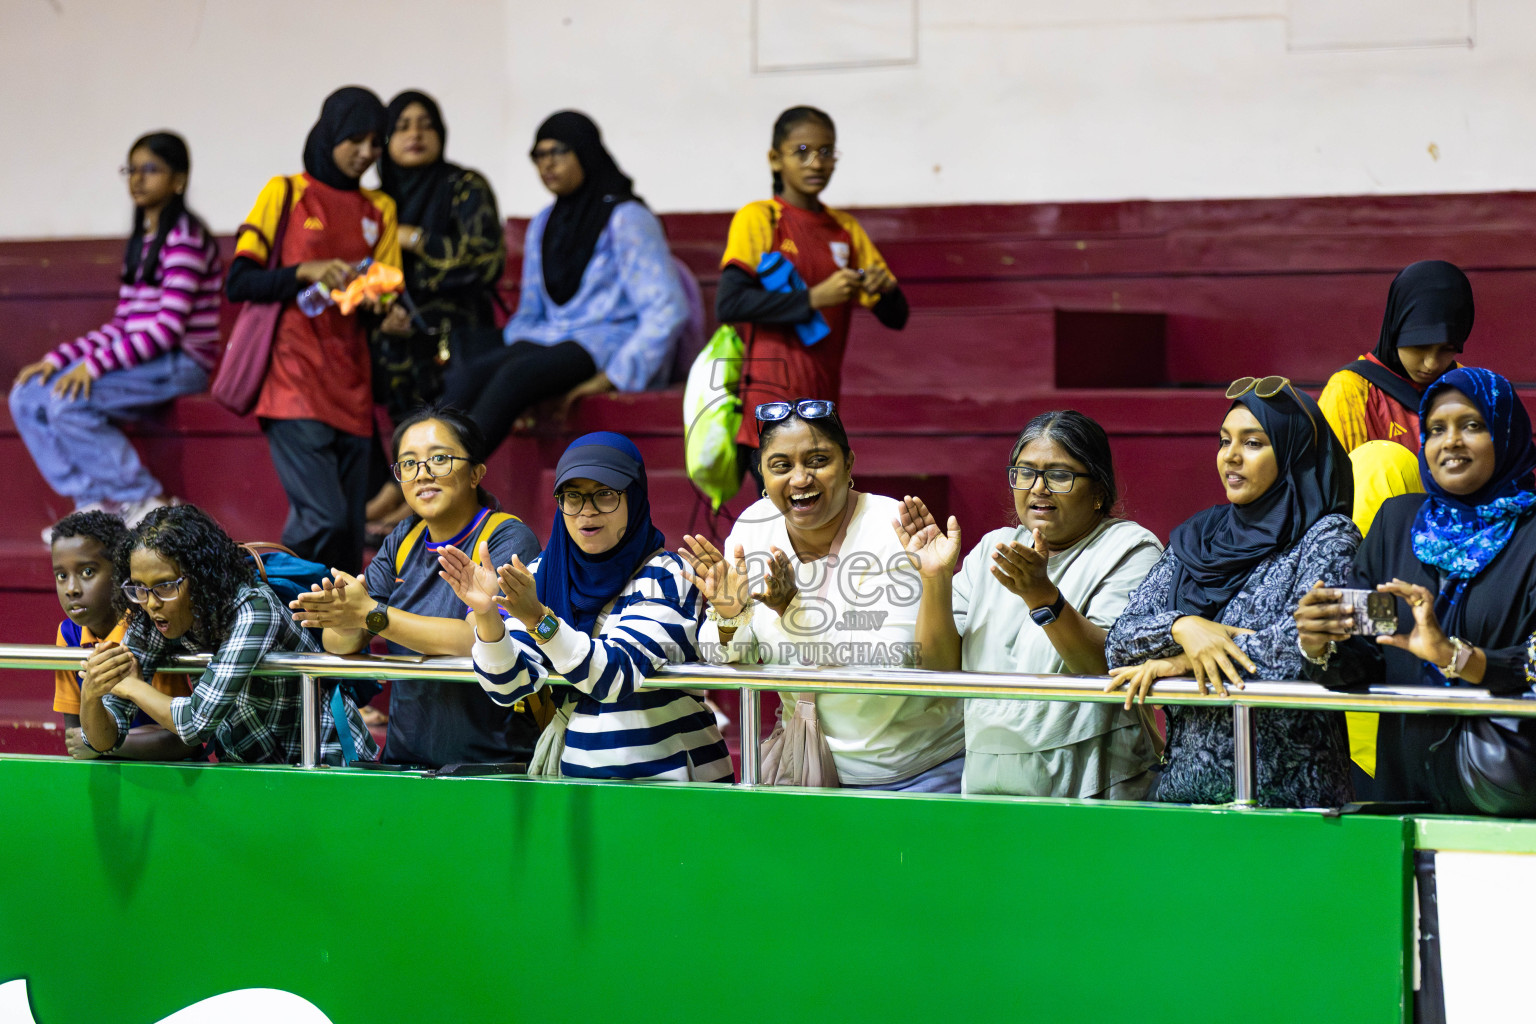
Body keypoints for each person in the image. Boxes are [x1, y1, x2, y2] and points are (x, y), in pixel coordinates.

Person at [682, 400, 964, 791]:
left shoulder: (892, 528)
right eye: (781, 466)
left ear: (848, 464)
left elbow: (893, 667)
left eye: (817, 461)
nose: (800, 479)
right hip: (803, 766)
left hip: (914, 770)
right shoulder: (753, 528)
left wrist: (792, 610)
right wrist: (729, 617)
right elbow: (727, 661)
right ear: (762, 474)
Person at [1104, 377, 1359, 808]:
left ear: (1293, 451)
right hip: (1183, 798)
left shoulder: (1328, 536)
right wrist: (1185, 626)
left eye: (1254, 443)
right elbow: (1120, 642)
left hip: (1290, 802)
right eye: (1224, 441)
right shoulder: (1200, 536)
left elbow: (1304, 646)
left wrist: (1179, 661)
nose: (1231, 457)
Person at [1295, 368, 1536, 813]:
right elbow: (1364, 655)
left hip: (1506, 792)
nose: (1451, 442)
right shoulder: (1398, 524)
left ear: (1506, 432)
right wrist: (1321, 644)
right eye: (1436, 430)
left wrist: (1458, 657)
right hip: (1401, 790)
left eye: (1473, 425)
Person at [897, 411, 1163, 798]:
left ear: (1099, 492)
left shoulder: (1131, 549)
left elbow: (1109, 667)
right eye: (1025, 472)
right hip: (990, 785)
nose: (1038, 488)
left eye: (1059, 475)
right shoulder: (994, 547)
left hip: (1096, 788)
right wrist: (935, 579)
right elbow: (938, 673)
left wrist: (1042, 597)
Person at [442, 432, 731, 781]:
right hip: (582, 780)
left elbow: (614, 676)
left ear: (634, 498)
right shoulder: (544, 574)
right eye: (573, 496)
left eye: (605, 494)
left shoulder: (669, 577)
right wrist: (487, 616)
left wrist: (538, 619)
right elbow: (509, 687)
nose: (587, 510)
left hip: (672, 786)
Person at [291, 404, 543, 767]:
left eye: (439, 458)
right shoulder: (404, 538)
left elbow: (477, 639)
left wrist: (373, 615)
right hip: (406, 760)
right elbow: (342, 643)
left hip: (494, 764)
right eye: (408, 463)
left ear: (476, 473)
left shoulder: (505, 537)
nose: (423, 474)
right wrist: (343, 615)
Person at [225, 86, 400, 575]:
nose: (366, 152)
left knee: (346, 526)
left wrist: (386, 309)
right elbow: (239, 281)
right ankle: (276, 601)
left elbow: (381, 290)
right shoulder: (285, 192)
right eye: (355, 139)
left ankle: (329, 637)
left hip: (350, 382)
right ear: (330, 133)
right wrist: (306, 270)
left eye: (375, 142)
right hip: (292, 378)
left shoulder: (379, 208)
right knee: (321, 513)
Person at [11, 132, 221, 530]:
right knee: (27, 396)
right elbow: (123, 326)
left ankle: (143, 498)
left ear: (178, 180)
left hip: (180, 362)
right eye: (132, 169)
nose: (137, 180)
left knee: (68, 402)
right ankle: (93, 499)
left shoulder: (186, 238)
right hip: (144, 358)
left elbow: (166, 330)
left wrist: (91, 369)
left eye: (151, 169)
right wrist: (58, 360)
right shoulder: (143, 241)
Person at [445, 112, 688, 454]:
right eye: (538, 156)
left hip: (609, 342)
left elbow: (667, 309)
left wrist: (614, 377)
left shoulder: (627, 217)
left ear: (585, 152)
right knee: (466, 375)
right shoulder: (544, 222)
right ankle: (413, 472)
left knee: (516, 377)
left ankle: (447, 477)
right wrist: (504, 348)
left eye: (557, 152)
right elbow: (531, 313)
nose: (547, 164)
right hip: (552, 339)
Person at [78, 505, 377, 764]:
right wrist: (91, 695)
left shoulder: (253, 608)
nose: (151, 601)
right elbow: (105, 740)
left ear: (199, 578)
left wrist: (129, 686)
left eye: (166, 586)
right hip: (253, 771)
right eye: (139, 588)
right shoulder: (154, 611)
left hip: (325, 758)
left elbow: (196, 723)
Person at [717, 106, 909, 481]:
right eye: (802, 151)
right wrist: (813, 299)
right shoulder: (759, 218)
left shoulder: (844, 228)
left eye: (826, 152)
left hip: (820, 404)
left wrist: (882, 289)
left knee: (817, 526)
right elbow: (730, 303)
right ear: (775, 159)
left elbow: (896, 316)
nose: (816, 163)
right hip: (767, 402)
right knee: (779, 521)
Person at [366, 91, 508, 537]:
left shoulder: (465, 186)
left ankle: (419, 493)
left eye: (425, 123)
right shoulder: (374, 201)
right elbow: (360, 272)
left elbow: (485, 260)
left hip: (457, 331)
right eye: (403, 125)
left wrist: (416, 239)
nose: (415, 134)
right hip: (396, 332)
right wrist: (380, 312)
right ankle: (402, 484)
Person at [49, 510, 197, 761]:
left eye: (87, 572)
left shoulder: (152, 628)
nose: (72, 589)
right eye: (62, 576)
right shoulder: (67, 635)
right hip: (112, 780)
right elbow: (76, 738)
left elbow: (185, 738)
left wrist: (109, 745)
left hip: (175, 779)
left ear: (121, 572)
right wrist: (130, 737)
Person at [1318, 260, 1473, 456]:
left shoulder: (1465, 385)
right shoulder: (1349, 392)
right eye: (1420, 346)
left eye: (1447, 349)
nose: (1431, 364)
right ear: (1395, 330)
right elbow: (1337, 482)